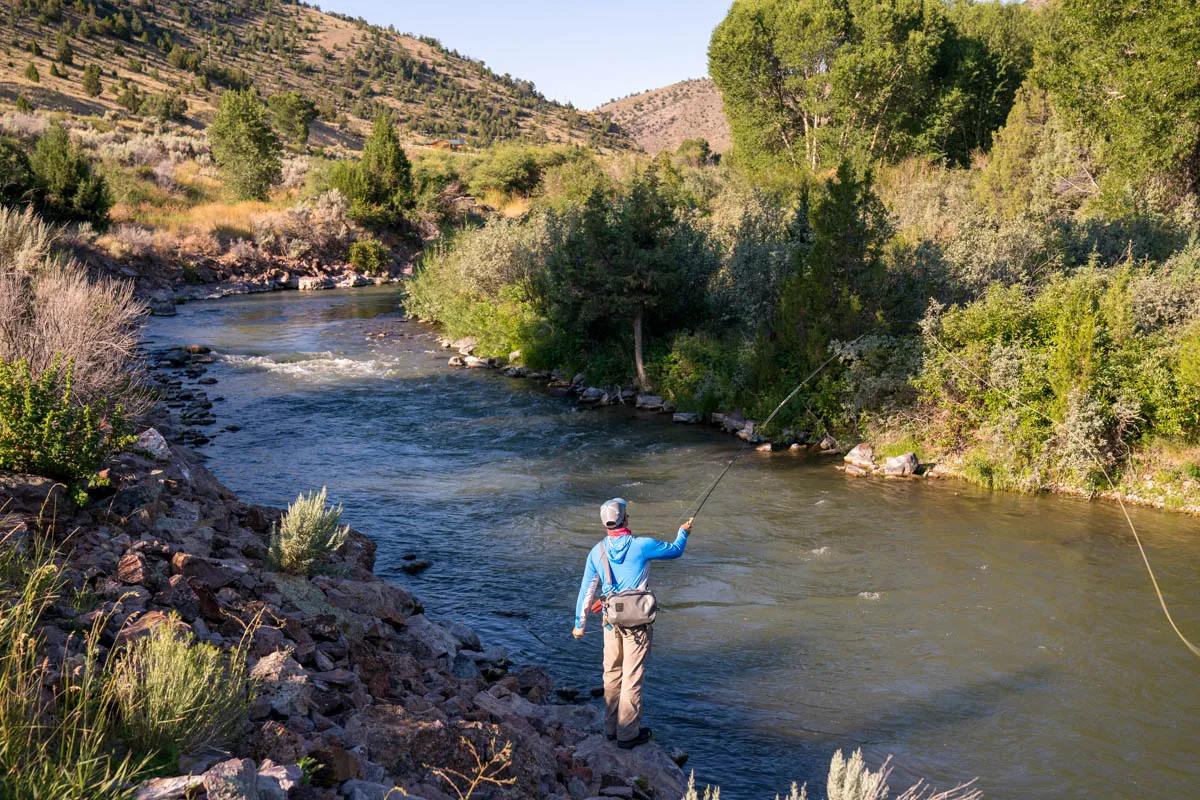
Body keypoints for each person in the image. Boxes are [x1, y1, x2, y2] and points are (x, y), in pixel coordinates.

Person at [573, 497, 692, 749]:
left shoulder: (597, 552)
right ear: (625, 519)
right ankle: (627, 734)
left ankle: (610, 729)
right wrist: (683, 532)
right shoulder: (642, 545)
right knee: (632, 677)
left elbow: (587, 590)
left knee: (612, 674)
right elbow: (676, 550)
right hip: (637, 624)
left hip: (610, 621)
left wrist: (579, 624)